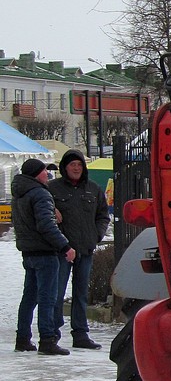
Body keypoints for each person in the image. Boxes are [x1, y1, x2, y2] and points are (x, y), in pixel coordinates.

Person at [12, 158, 76, 355]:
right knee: (47, 297)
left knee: (29, 297)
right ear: (36, 174)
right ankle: (47, 339)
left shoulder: (19, 194)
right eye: (44, 171)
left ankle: (22, 338)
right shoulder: (40, 194)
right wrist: (65, 246)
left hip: (29, 252)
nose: (47, 174)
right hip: (45, 253)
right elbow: (46, 225)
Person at [49, 149, 110, 351]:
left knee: (81, 293)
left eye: (79, 165)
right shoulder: (52, 189)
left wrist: (97, 235)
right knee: (56, 293)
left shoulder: (93, 189)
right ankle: (53, 333)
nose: (76, 168)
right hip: (62, 250)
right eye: (72, 165)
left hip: (85, 249)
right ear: (64, 168)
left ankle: (81, 334)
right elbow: (42, 213)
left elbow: (103, 215)